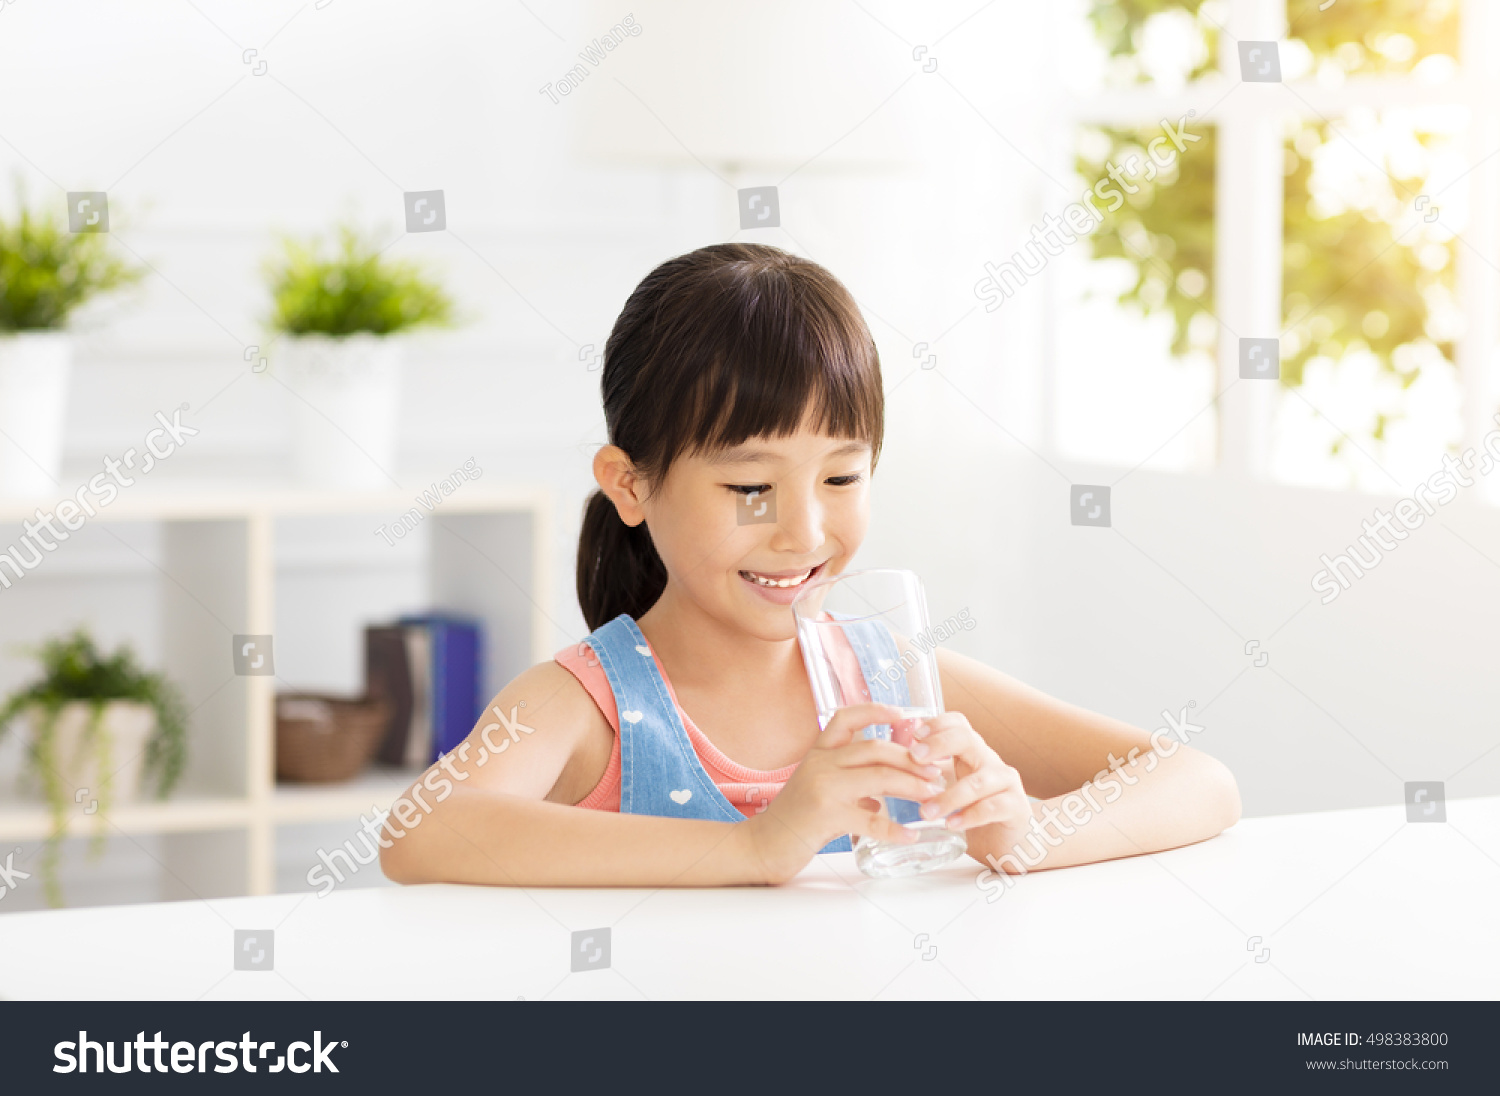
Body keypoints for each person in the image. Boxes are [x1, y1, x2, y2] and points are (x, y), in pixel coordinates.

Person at [379, 243, 1240, 889]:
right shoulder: (589, 702)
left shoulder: (891, 682)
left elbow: (1200, 782)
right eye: (751, 485)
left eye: (841, 475)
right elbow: (417, 831)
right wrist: (758, 845)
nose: (804, 529)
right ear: (630, 484)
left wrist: (1030, 830)